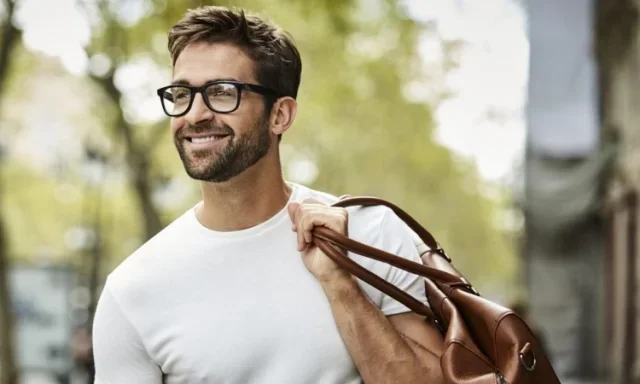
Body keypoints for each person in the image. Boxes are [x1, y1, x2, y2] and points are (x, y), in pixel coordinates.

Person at [92, 6, 443, 384]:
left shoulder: (371, 233)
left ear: (280, 115)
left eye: (222, 92)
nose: (194, 114)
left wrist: (342, 285)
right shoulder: (133, 290)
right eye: (181, 94)